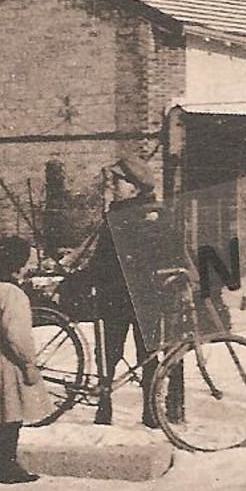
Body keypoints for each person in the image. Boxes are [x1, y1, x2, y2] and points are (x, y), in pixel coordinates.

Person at [90, 157, 161, 426]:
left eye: (119, 182)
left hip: (140, 297)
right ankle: (105, 405)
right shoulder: (116, 215)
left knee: (148, 355)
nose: (114, 187)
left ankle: (150, 409)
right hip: (120, 297)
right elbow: (101, 258)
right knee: (110, 352)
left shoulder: (149, 215)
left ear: (134, 188)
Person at [0, 235, 44, 484]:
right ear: (16, 263)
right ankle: (7, 466)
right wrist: (28, 364)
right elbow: (16, 335)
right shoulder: (14, 294)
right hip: (10, 362)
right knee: (12, 416)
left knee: (4, 415)